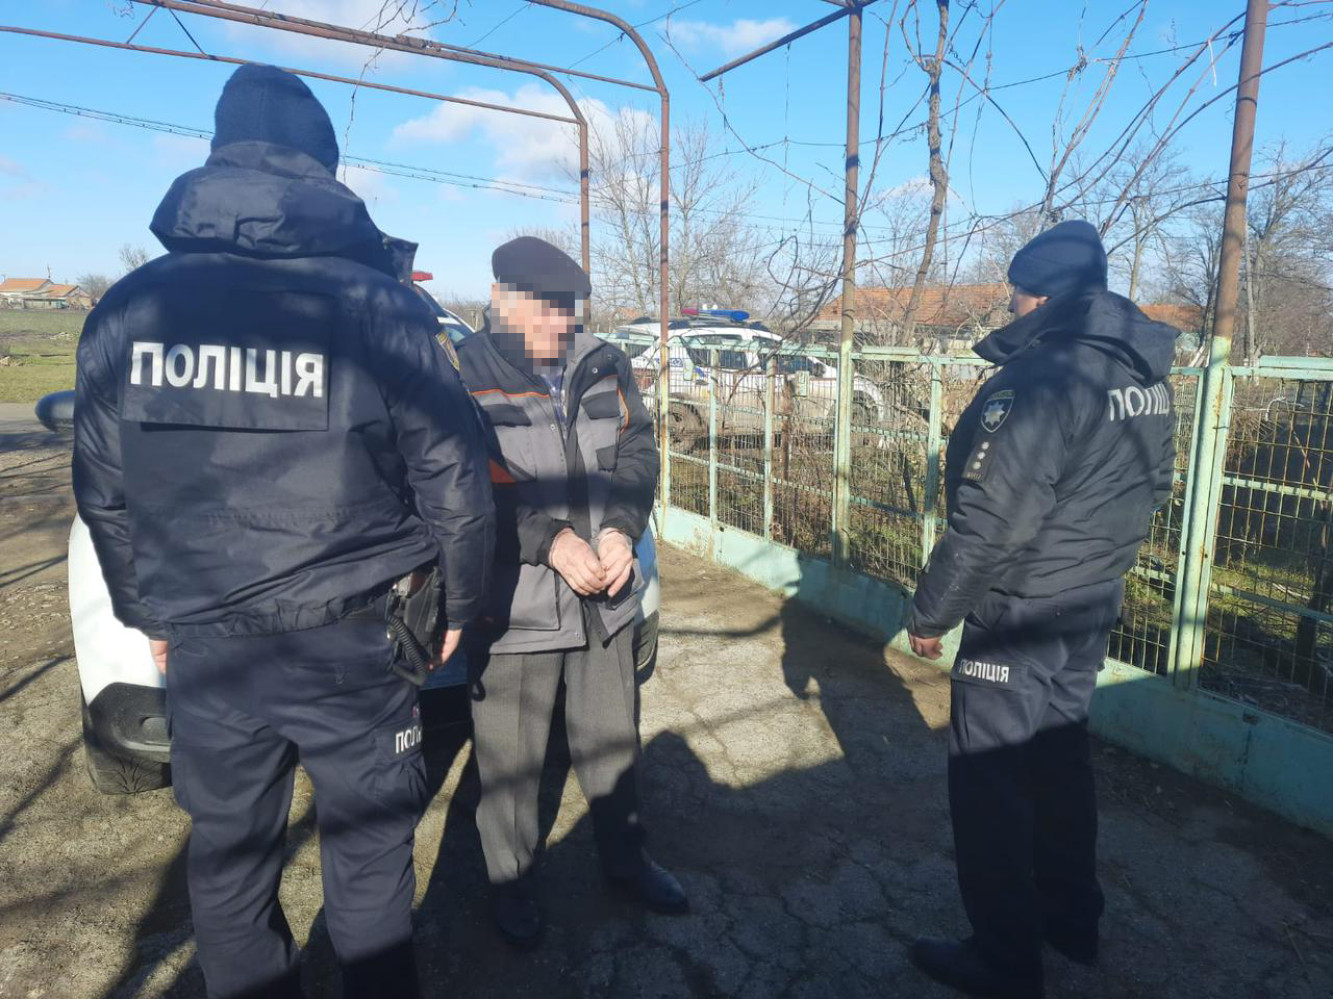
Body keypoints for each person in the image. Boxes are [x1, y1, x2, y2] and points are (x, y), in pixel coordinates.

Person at [72, 65, 494, 999]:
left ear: (218, 154)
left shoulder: (130, 309)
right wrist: (460, 607)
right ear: (324, 169)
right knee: (369, 863)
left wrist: (151, 616)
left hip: (210, 643)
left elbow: (104, 491)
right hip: (357, 642)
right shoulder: (380, 306)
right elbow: (454, 479)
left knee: (229, 866)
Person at [904, 220, 1177, 998]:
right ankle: (1069, 919)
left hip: (1021, 609)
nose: (1010, 305)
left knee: (988, 782)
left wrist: (931, 613)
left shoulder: (1042, 377)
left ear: (1042, 295)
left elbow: (993, 518)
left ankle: (1003, 958)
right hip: (1090, 597)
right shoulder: (1140, 372)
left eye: (1016, 293)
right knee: (1059, 763)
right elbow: (1154, 484)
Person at [456, 236, 687, 948]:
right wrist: (550, 540)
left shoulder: (604, 361)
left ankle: (626, 862)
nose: (560, 323)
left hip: (604, 596)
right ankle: (511, 884)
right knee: (511, 761)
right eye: (545, 309)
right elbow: (459, 487)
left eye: (568, 309)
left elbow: (637, 452)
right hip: (516, 603)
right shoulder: (462, 373)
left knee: (612, 742)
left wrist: (620, 530)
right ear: (501, 299)